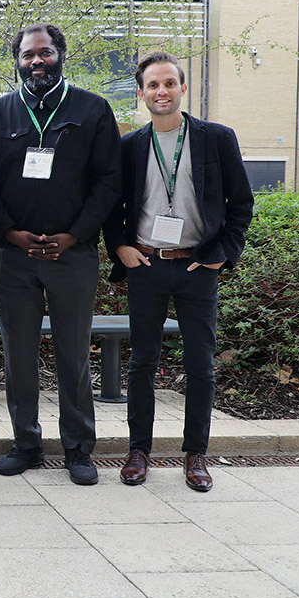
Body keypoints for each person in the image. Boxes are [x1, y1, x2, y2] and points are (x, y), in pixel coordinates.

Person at [0, 23, 121, 485]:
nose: (35, 62)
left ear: (61, 53)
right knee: (18, 354)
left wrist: (75, 235)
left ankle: (78, 448)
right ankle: (26, 443)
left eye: (44, 53)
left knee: (73, 353)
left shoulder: (93, 109)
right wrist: (11, 233)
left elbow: (108, 183)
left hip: (72, 255)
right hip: (13, 255)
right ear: (17, 61)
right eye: (26, 56)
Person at [104, 51, 253, 492]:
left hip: (197, 265)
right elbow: (112, 207)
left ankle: (195, 455)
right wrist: (120, 247)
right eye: (153, 85)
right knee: (142, 362)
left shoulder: (216, 139)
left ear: (183, 88)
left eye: (169, 83)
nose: (161, 91)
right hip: (147, 265)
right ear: (141, 93)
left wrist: (224, 254)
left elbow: (240, 205)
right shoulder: (129, 145)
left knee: (200, 364)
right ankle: (139, 451)